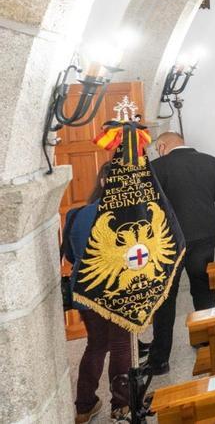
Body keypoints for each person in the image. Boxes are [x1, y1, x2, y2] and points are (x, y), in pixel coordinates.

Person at [143, 132, 215, 375]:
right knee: (203, 287)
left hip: (169, 239)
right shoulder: (211, 161)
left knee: (166, 297)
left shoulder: (156, 167)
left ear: (162, 146)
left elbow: (148, 205)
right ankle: (203, 339)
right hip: (205, 234)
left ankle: (160, 359)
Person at [64, 162, 132, 423]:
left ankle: (84, 405)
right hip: (119, 288)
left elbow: (70, 256)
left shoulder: (77, 214)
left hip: (85, 290)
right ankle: (121, 406)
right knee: (120, 344)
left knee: (95, 345)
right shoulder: (130, 216)